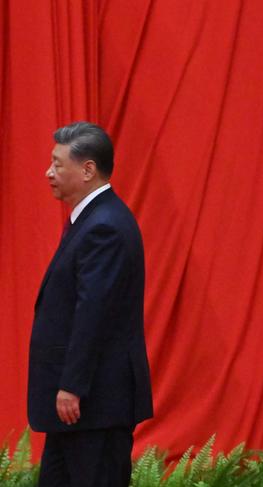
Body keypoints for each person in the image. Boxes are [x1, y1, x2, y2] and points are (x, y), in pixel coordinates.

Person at [28, 121, 153, 486]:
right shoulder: (92, 221)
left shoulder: (105, 226)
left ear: (87, 170)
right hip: (78, 409)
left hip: (93, 403)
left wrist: (72, 386)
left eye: (57, 164)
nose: (48, 172)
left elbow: (93, 313)